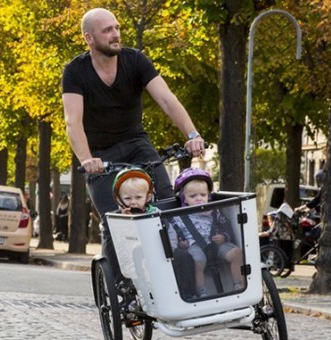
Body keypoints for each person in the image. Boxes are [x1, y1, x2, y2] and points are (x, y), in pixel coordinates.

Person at [61, 8, 205, 281]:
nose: (116, 34)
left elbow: (166, 99)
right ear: (89, 38)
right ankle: (121, 287)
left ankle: (180, 276)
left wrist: (192, 134)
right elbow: (73, 121)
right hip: (100, 156)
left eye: (116, 28)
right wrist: (86, 159)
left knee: (166, 203)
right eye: (107, 30)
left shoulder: (136, 61)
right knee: (114, 221)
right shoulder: (75, 71)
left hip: (137, 145)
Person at [165, 168, 244, 298]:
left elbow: (226, 226)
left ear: (208, 195)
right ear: (184, 198)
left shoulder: (215, 212)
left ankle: (238, 285)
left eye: (203, 195)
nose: (199, 199)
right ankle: (202, 292)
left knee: (237, 253)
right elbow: (176, 231)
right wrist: (181, 242)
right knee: (197, 261)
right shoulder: (178, 216)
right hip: (194, 245)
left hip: (217, 244)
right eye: (193, 196)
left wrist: (224, 236)